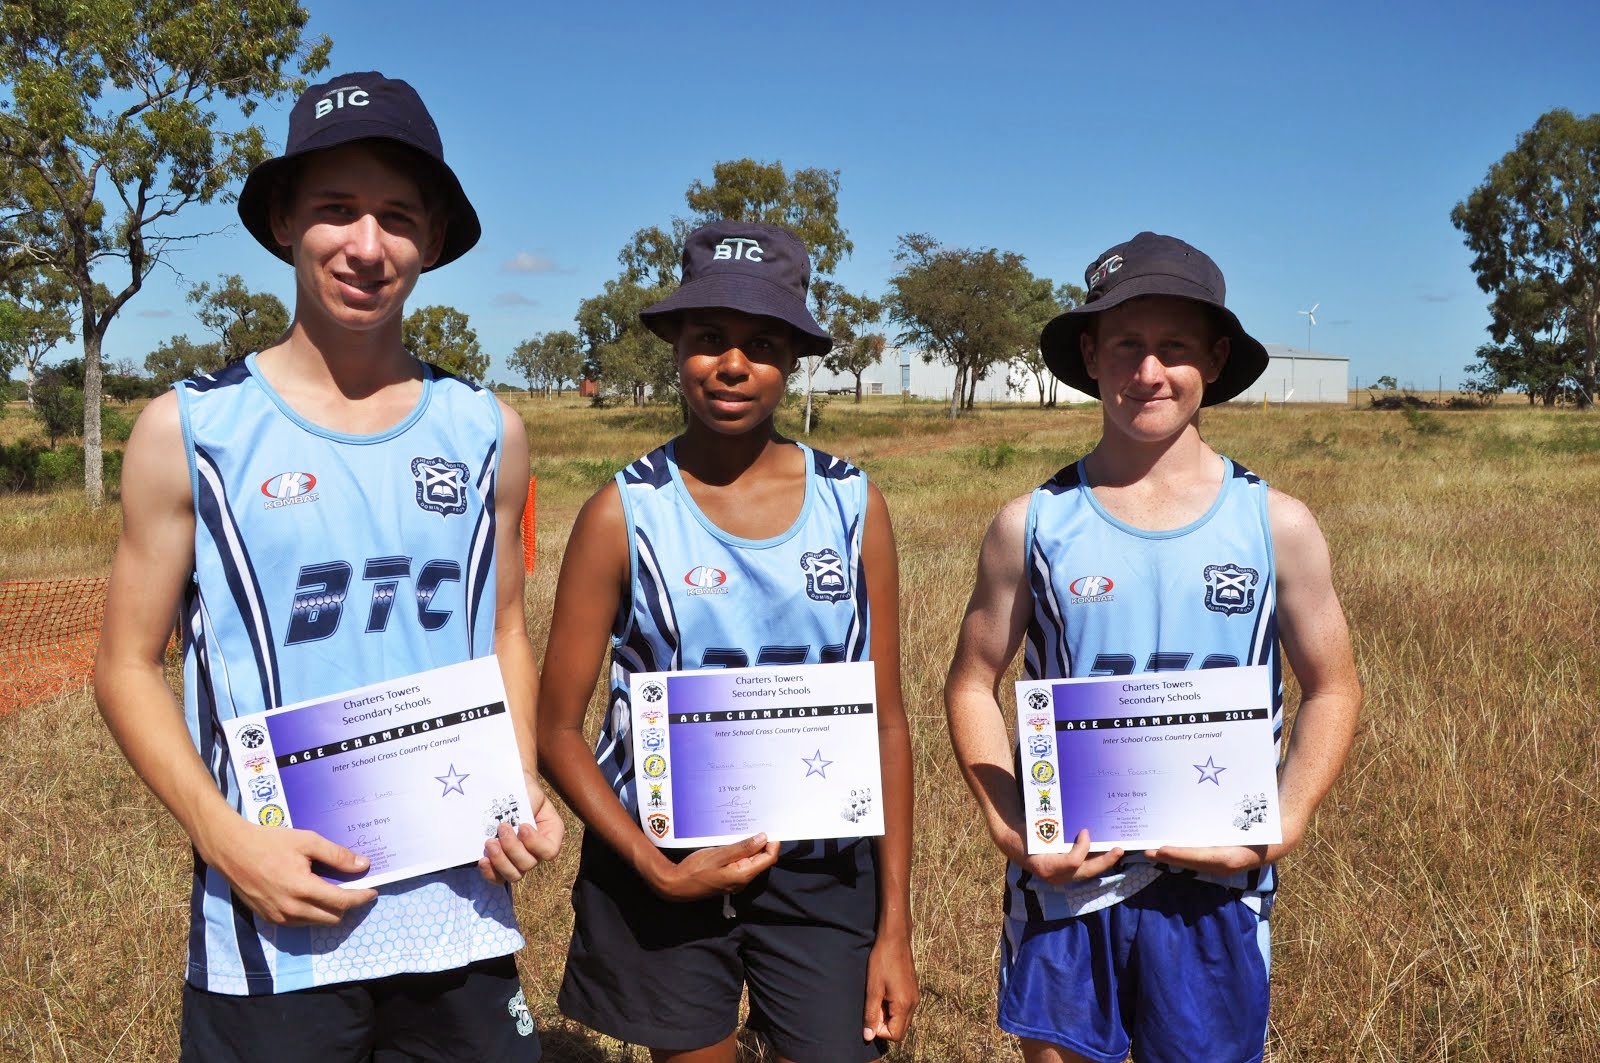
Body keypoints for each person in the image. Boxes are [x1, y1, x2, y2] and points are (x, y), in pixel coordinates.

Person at [94, 71, 562, 1062]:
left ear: (431, 241)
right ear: (282, 224)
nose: (366, 244)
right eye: (335, 210)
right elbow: (126, 665)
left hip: (457, 907)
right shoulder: (190, 429)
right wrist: (229, 840)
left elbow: (505, 630)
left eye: (396, 216)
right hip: (276, 926)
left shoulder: (489, 431)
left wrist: (516, 777)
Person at [944, 232, 1362, 1063]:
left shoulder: (1276, 523)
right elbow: (970, 682)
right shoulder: (1031, 523)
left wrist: (1285, 818)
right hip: (1067, 889)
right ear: (1091, 355)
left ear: (1214, 356)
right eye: (1128, 345)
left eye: (1174, 346)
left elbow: (1334, 686)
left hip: (1218, 888)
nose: (1149, 372)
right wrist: (1011, 826)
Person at [537, 220, 918, 1063]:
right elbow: (555, 729)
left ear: (792, 358)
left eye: (762, 342)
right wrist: (654, 866)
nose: (734, 363)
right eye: (710, 339)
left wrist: (894, 925)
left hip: (824, 868)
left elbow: (885, 722)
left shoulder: (853, 505)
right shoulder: (622, 512)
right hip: (667, 860)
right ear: (676, 347)